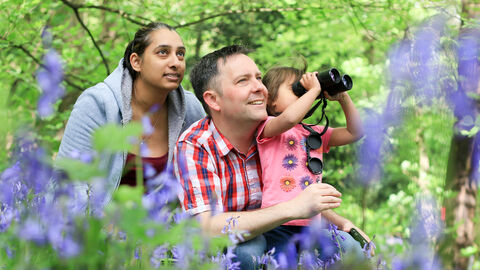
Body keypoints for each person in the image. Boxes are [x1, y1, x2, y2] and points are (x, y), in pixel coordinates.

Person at [173, 45, 368, 268]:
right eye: (243, 81)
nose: (259, 87)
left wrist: (341, 223)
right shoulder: (197, 144)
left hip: (296, 227)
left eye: (259, 78)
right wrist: (293, 208)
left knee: (349, 246)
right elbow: (206, 228)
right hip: (242, 241)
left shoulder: (290, 135)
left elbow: (301, 196)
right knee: (247, 252)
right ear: (214, 100)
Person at [56, 22, 205, 206]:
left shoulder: (190, 109)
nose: (175, 62)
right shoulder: (97, 103)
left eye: (180, 54)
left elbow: (201, 182)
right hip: (97, 226)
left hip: (162, 229)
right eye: (163, 52)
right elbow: (69, 180)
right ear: (136, 62)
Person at [259, 65, 365, 259]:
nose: (305, 91)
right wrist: (314, 89)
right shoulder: (267, 127)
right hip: (277, 223)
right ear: (271, 100)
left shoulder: (315, 132)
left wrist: (342, 97)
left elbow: (355, 132)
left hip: (312, 225)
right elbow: (290, 118)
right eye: (296, 88)